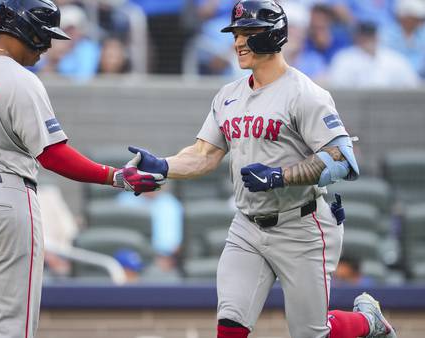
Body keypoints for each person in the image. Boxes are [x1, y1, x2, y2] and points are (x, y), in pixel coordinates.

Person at [125, 1, 396, 338]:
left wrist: (279, 176)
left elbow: (342, 159)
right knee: (230, 326)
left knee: (312, 333)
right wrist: (162, 166)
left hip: (302, 225)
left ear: (274, 34)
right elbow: (204, 154)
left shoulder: (306, 93)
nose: (238, 42)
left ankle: (368, 322)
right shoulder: (228, 95)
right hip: (247, 226)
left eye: (248, 33)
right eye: (236, 33)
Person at [0, 1, 164, 337]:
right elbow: (52, 154)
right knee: (12, 326)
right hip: (4, 200)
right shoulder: (22, 80)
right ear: (26, 29)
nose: (47, 46)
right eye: (44, 35)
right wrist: (114, 176)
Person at [328, 21, 420, 89]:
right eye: (364, 36)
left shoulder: (395, 59)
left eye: (370, 35)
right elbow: (338, 86)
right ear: (357, 37)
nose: (367, 39)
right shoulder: (344, 58)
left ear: (377, 36)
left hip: (391, 107)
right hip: (357, 108)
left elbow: (412, 85)